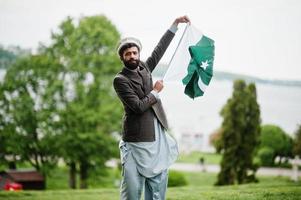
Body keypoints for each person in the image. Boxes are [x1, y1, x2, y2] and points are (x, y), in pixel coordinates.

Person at [113, 16, 190, 200]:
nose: (132, 56)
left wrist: (174, 25)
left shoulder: (145, 68)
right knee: (131, 190)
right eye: (128, 54)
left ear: (138, 54)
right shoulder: (120, 80)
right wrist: (155, 92)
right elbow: (138, 107)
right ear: (123, 58)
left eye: (134, 52)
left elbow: (159, 50)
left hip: (155, 133)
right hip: (135, 138)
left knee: (158, 187)